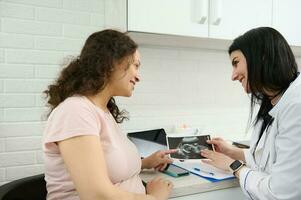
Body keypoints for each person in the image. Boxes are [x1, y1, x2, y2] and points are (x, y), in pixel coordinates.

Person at [42, 29, 176, 200]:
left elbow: (106, 167)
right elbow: (96, 195)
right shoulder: (75, 112)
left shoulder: (102, 111)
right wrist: (155, 198)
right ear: (112, 63)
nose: (138, 76)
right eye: (135, 65)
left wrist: (144, 163)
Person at [200, 27, 301, 199]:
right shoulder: (275, 101)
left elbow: (281, 193)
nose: (233, 75)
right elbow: (270, 159)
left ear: (261, 57)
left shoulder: (296, 106)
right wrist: (232, 152)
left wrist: (235, 166)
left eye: (236, 63)